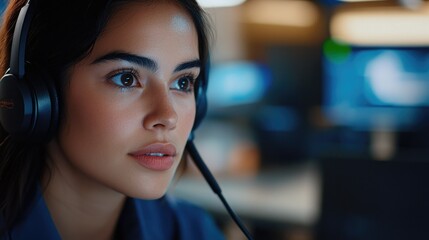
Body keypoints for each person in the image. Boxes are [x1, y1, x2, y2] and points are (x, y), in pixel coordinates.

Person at [0, 0, 225, 239]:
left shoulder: (193, 230)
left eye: (183, 82)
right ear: (36, 98)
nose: (168, 117)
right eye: (126, 79)